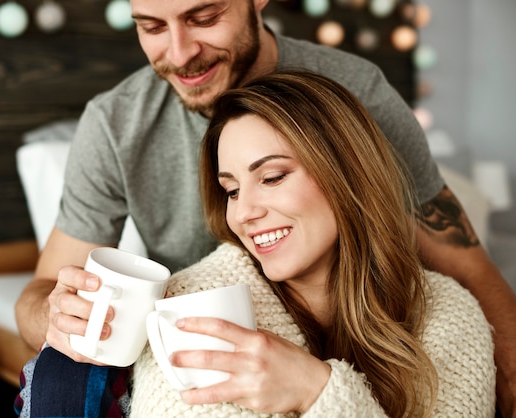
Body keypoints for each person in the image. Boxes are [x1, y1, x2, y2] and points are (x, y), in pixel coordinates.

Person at [14, 0, 516, 415]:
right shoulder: (115, 124)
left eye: (204, 17)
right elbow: (41, 293)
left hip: (368, 329)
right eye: (151, 26)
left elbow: (465, 262)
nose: (180, 52)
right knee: (61, 374)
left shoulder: (357, 94)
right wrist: (61, 316)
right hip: (211, 332)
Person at [128, 69, 496, 417]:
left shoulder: (449, 316)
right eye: (232, 191)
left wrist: (317, 390)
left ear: (348, 173)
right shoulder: (191, 308)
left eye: (272, 177)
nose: (243, 213)